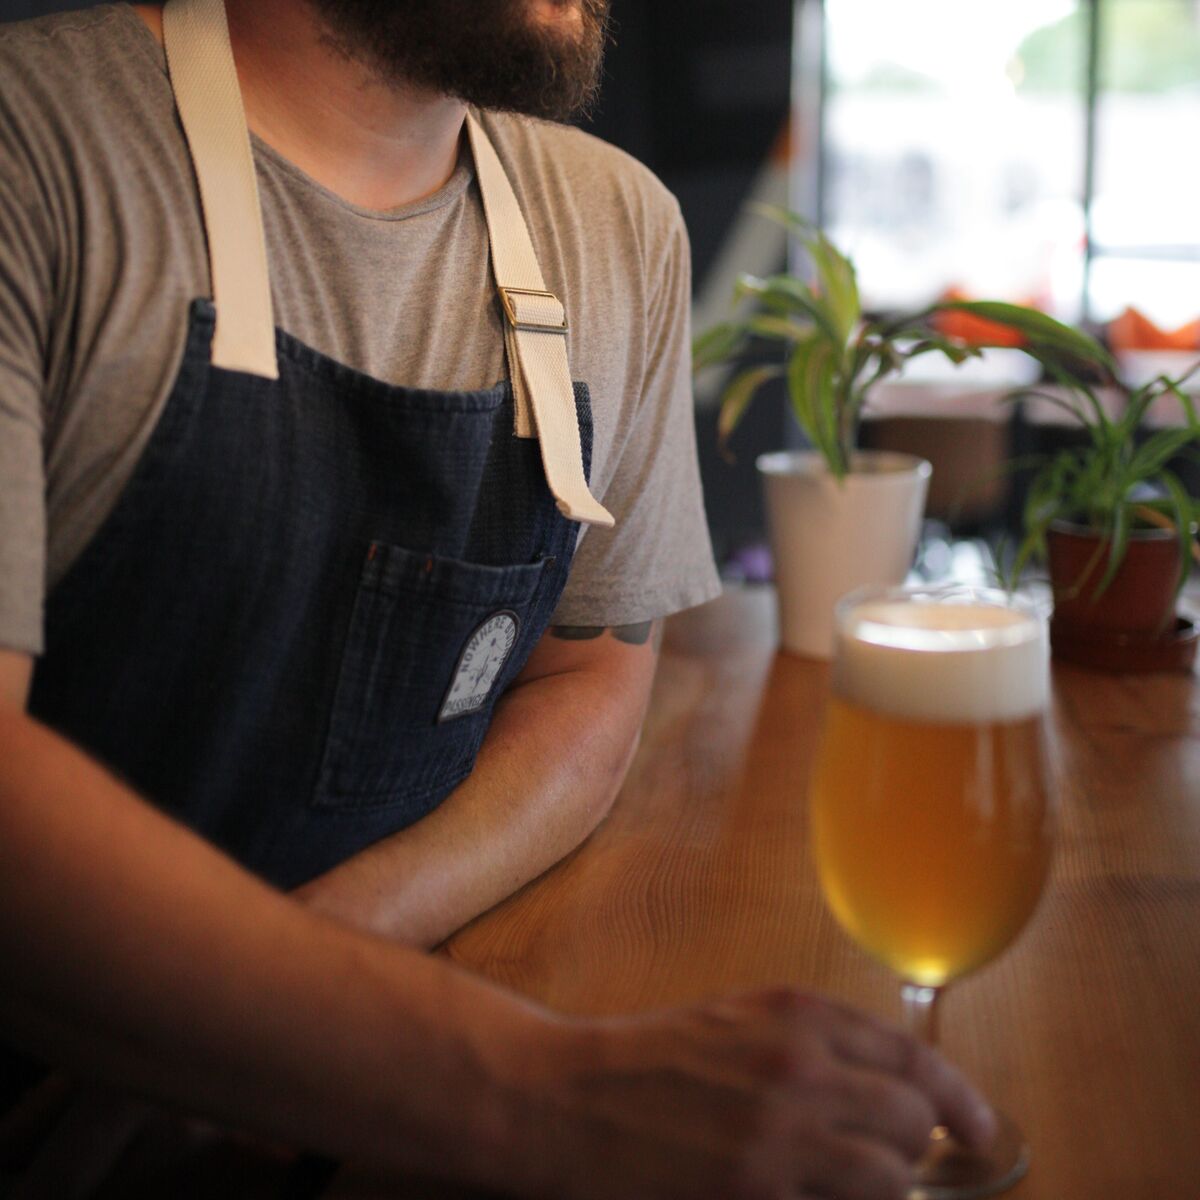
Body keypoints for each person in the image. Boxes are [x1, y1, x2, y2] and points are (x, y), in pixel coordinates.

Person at [0, 1, 997, 1195]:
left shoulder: (613, 227)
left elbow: (591, 680)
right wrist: (537, 1092)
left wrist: (311, 1002)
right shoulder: (40, 149)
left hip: (389, 1085)